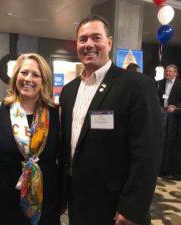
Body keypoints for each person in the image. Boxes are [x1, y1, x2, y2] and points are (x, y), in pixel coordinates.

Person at [59, 15, 163, 225]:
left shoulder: (136, 86)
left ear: (109, 42)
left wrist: (132, 208)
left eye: (96, 37)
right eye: (83, 39)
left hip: (115, 206)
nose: (89, 44)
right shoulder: (68, 92)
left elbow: (148, 153)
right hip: (76, 199)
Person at [0, 53, 61, 225]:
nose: (28, 78)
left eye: (35, 75)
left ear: (44, 81)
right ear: (15, 76)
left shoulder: (55, 114)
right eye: (23, 72)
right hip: (6, 195)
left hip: (45, 196)